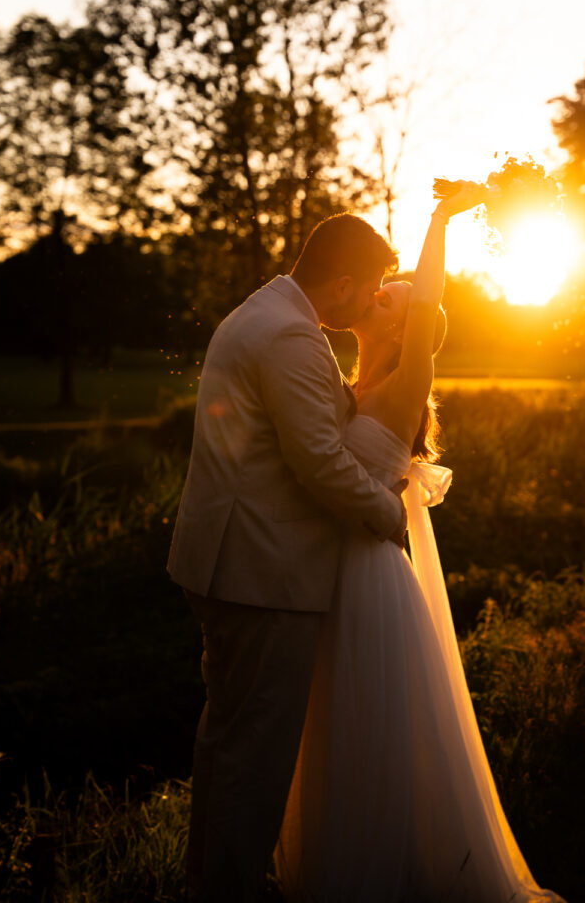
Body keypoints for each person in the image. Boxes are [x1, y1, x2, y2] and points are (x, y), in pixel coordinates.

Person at [275, 183, 566, 903]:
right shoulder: (347, 375)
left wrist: (440, 222)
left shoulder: (408, 379)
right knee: (327, 722)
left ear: (411, 327)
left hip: (372, 577)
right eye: (384, 288)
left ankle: (372, 876)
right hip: (328, 569)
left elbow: (430, 301)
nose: (381, 294)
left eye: (393, 296)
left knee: (365, 722)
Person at [167, 213, 409, 903]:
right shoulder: (293, 337)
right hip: (262, 574)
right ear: (341, 282)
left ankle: (207, 882)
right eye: (370, 290)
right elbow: (321, 464)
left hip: (228, 561)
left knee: (225, 737)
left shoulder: (262, 311)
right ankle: (231, 890)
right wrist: (390, 512)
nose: (372, 303)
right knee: (257, 755)